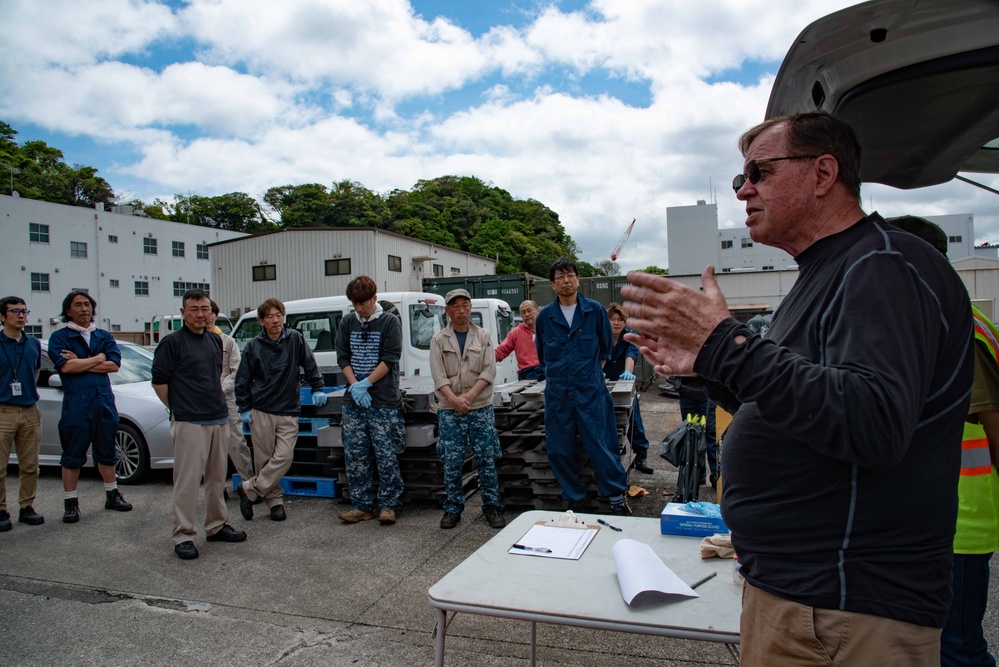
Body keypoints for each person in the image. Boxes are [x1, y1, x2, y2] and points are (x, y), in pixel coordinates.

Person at [621, 112, 973, 665]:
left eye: (758, 171)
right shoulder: (827, 271)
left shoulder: (883, 264)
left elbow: (874, 423)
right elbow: (798, 406)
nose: (744, 190)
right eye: (741, 179)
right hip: (804, 597)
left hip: (845, 609)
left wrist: (726, 344)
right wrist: (711, 367)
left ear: (823, 172)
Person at [887, 215, 999, 667]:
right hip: (929, 515)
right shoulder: (935, 318)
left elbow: (991, 421)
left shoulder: (955, 324)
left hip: (957, 520)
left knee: (956, 649)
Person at [152, 289, 247, 560]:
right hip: (189, 421)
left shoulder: (216, 342)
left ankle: (216, 526)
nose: (200, 314)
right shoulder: (172, 343)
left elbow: (217, 378)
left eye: (204, 308)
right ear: (183, 313)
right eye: (193, 309)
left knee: (217, 478)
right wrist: (178, 408)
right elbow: (159, 382)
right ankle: (183, 534)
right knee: (187, 481)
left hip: (218, 417)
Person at [535, 257, 629, 515]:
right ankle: (575, 497)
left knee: (601, 442)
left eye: (570, 275)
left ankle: (614, 496)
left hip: (590, 389)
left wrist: (588, 374)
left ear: (578, 280)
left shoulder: (595, 311)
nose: (566, 280)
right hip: (558, 392)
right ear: (553, 285)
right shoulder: (545, 317)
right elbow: (543, 355)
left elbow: (605, 349)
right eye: (560, 277)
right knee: (559, 447)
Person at [234, 298, 327, 523]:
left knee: (284, 456)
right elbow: (242, 379)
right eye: (270, 317)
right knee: (264, 460)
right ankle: (275, 502)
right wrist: (244, 407)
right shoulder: (253, 346)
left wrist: (318, 387)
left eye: (279, 315)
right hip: (261, 409)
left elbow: (309, 363)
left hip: (288, 409)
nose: (276, 321)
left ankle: (249, 489)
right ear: (261, 321)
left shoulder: (295, 339)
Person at [48, 291, 132, 523]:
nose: (84, 309)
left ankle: (112, 494)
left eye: (87, 304)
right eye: (78, 305)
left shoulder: (103, 335)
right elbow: (65, 368)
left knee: (107, 451)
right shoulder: (60, 337)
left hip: (104, 401)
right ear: (68, 311)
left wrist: (80, 362)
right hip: (77, 403)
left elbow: (114, 366)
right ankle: (71, 502)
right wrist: (97, 359)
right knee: (72, 454)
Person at [430, 288, 507, 530]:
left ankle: (492, 506)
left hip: (480, 407)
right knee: (452, 461)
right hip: (449, 409)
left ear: (470, 308)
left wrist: (470, 397)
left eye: (465, 305)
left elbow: (488, 371)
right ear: (447, 311)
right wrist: (454, 400)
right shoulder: (438, 340)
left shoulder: (483, 336)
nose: (461, 310)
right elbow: (438, 376)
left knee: (486, 458)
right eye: (455, 306)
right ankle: (453, 508)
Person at [334, 276, 405, 525]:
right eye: (354, 303)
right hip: (355, 400)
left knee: (385, 454)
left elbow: (390, 357)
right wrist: (355, 385)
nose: (358, 308)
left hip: (383, 400)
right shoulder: (347, 322)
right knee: (355, 454)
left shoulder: (389, 322)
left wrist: (367, 383)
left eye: (362, 303)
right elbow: (342, 356)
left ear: (374, 299)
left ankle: (389, 504)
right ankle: (361, 505)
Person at [0, 296, 44, 531]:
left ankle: (27, 507)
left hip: (29, 410)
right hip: (2, 411)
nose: (21, 315)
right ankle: (0, 510)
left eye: (24, 311)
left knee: (30, 465)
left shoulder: (32, 344)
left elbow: (35, 373)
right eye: (15, 311)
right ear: (2, 316)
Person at [604, 303, 653, 475]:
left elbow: (631, 355)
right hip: (604, 384)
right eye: (612, 319)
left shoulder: (631, 336)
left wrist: (627, 371)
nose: (616, 323)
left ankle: (641, 455)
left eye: (620, 320)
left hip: (624, 383)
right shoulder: (601, 336)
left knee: (634, 420)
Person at [208, 300, 253, 481]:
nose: (207, 316)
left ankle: (249, 483)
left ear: (216, 315)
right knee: (210, 447)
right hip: (203, 402)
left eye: (211, 312)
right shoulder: (195, 341)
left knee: (236, 442)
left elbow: (237, 371)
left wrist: (220, 389)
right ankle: (218, 488)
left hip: (227, 399)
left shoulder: (228, 342)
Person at [495, 300, 544, 381]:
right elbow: (500, 352)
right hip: (527, 374)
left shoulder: (548, 329)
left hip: (547, 371)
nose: (527, 314)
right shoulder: (515, 333)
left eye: (529, 310)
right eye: (523, 312)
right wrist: (483, 360)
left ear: (538, 311)